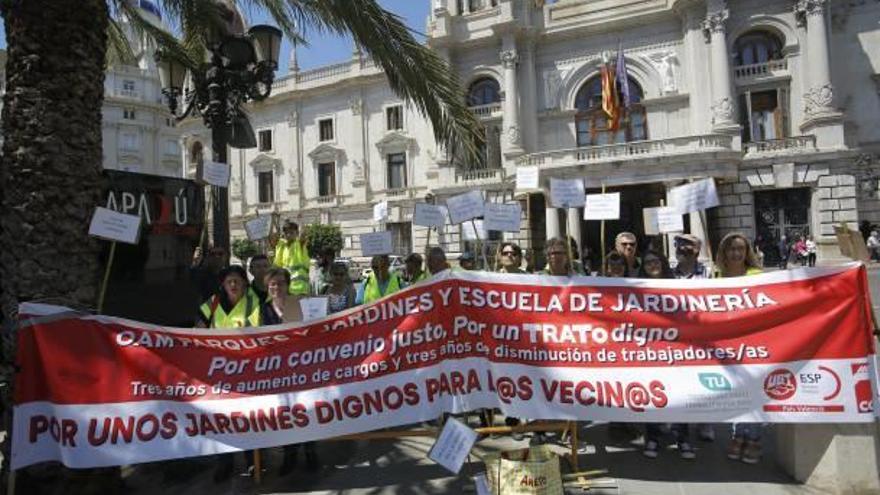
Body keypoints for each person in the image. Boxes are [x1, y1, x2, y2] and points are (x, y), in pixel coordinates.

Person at [195, 265, 261, 481]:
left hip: (246, 370)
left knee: (248, 418)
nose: (233, 285)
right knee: (221, 418)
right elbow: (198, 327)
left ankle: (253, 460)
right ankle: (225, 462)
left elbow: (259, 333)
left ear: (244, 282)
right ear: (223, 284)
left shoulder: (254, 301)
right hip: (219, 371)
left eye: (237, 280)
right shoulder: (213, 302)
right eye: (229, 281)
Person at [260, 267, 319, 474]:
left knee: (307, 409)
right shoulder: (263, 309)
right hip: (278, 371)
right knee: (286, 413)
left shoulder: (301, 303)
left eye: (280, 283)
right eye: (272, 284)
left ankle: (311, 451)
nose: (276, 287)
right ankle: (290, 454)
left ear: (288, 284)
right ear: (268, 287)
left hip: (302, 367)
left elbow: (315, 329)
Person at [638, 251, 695, 460]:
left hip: (674, 349)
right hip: (648, 351)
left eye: (655, 261)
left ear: (662, 262)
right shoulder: (633, 289)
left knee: (679, 393)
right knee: (651, 394)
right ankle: (652, 436)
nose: (652, 265)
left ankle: (683, 438)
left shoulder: (676, 287)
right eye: (647, 262)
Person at [716, 233, 763, 464]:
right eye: (731, 249)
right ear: (724, 252)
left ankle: (752, 439)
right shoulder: (715, 277)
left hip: (753, 342)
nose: (736, 253)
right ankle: (737, 435)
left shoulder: (757, 276)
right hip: (726, 344)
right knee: (735, 392)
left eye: (740, 249)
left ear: (747, 253)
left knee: (753, 391)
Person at [670, 234, 715, 442]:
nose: (682, 249)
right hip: (676, 337)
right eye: (679, 246)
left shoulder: (709, 274)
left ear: (697, 250)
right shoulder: (669, 276)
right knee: (680, 381)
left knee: (702, 380)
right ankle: (680, 423)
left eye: (687, 246)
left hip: (702, 336)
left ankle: (705, 422)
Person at [273, 220, 311, 295]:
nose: (288, 235)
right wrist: (273, 221)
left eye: (291, 233)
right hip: (286, 289)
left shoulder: (299, 244)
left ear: (297, 233)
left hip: (300, 290)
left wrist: (301, 221)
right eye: (286, 233)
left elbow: (302, 236)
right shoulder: (282, 247)